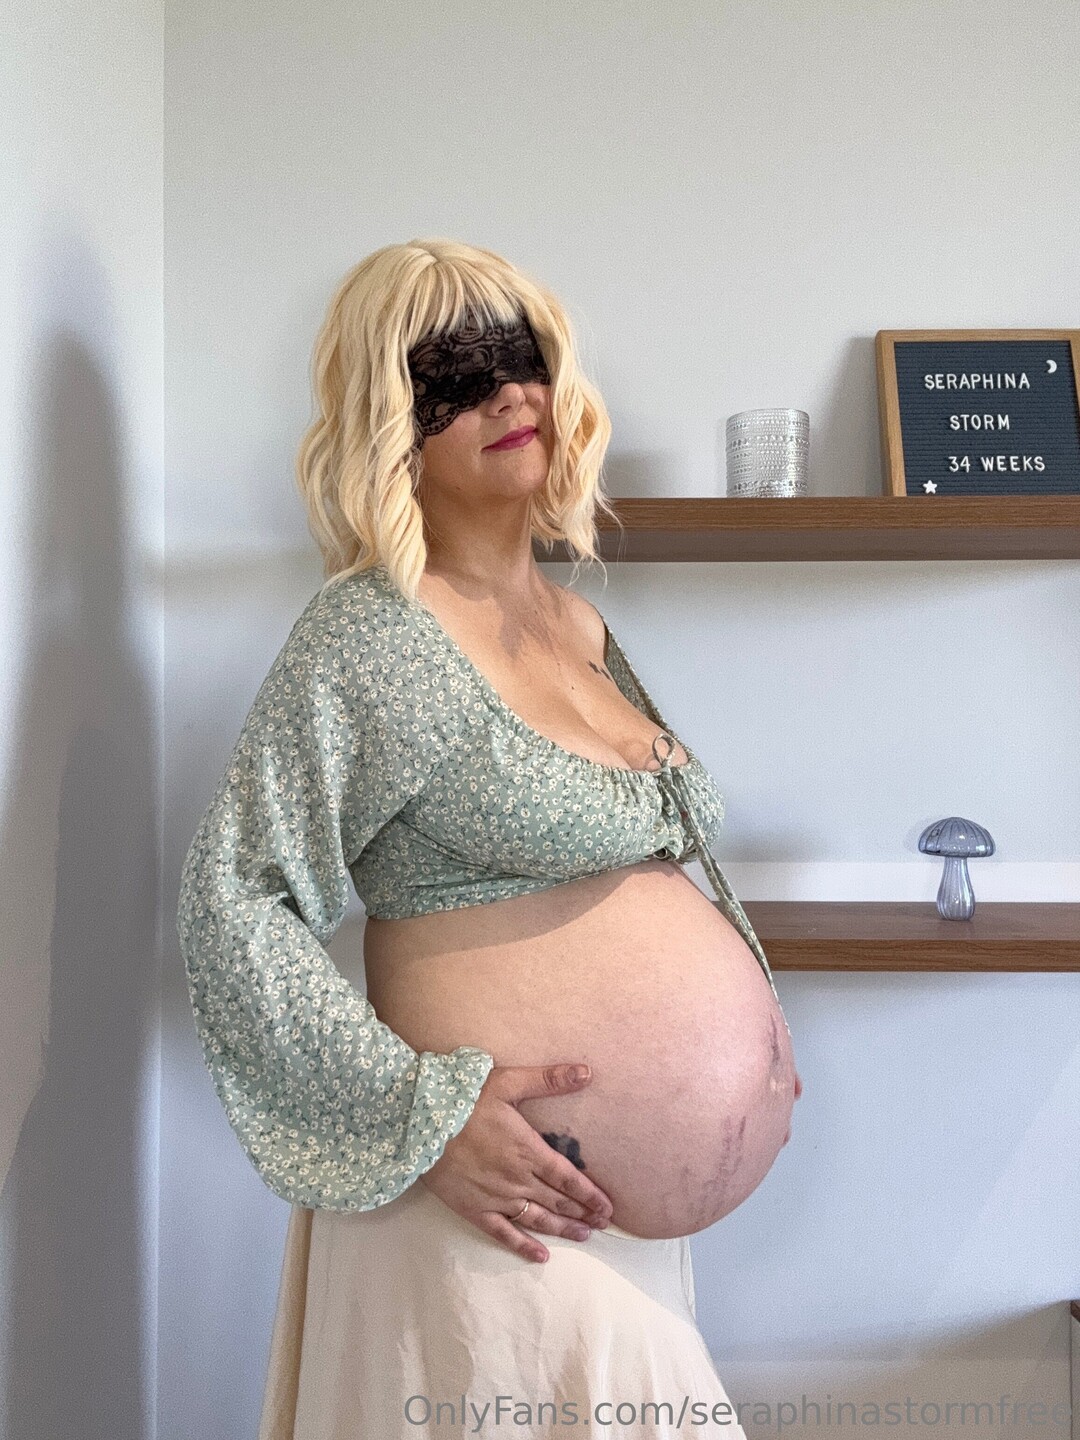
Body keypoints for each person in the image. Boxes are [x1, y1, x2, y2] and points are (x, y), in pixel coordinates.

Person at [176, 236, 803, 1440]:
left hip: (604, 1227)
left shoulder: (578, 626)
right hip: (486, 1211)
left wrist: (753, 1048)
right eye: (454, 374)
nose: (509, 393)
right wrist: (421, 1118)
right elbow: (235, 894)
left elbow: (649, 856)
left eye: (524, 359)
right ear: (390, 423)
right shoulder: (374, 633)